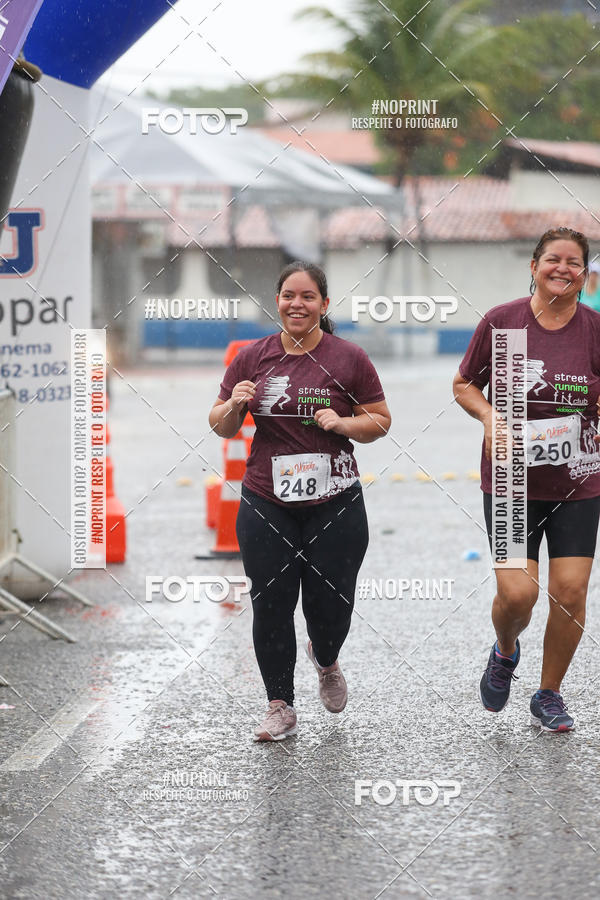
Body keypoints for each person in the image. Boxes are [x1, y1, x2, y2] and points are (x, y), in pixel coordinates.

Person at [209, 261, 391, 741]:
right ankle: (279, 704)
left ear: (324, 304)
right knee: (271, 601)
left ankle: (326, 656)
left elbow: (380, 421)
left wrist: (342, 424)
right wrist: (233, 406)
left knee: (330, 604)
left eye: (308, 296)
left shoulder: (349, 357)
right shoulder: (253, 357)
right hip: (267, 497)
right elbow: (219, 424)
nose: (297, 304)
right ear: (278, 301)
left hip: (335, 499)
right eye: (289, 295)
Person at [453, 226, 600, 733]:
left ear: (585, 275)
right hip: (513, 481)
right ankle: (505, 650)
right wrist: (491, 417)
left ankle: (549, 694)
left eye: (573, 263)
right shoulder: (504, 322)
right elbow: (464, 384)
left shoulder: (594, 329)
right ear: (534, 265)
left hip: (579, 479)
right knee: (518, 596)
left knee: (572, 590)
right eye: (553, 260)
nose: (563, 269)